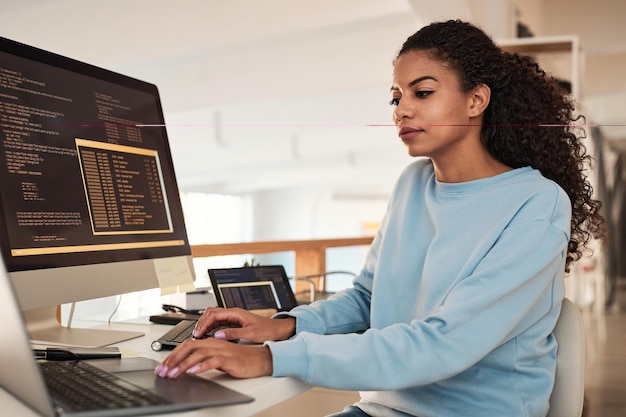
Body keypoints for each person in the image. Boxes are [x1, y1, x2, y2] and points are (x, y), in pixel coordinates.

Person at [154, 20, 605, 417]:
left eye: (423, 93)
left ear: (476, 100)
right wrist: (285, 324)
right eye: (396, 97)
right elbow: (369, 299)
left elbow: (443, 344)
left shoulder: (537, 203)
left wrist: (271, 357)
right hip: (382, 408)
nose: (402, 110)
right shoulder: (413, 183)